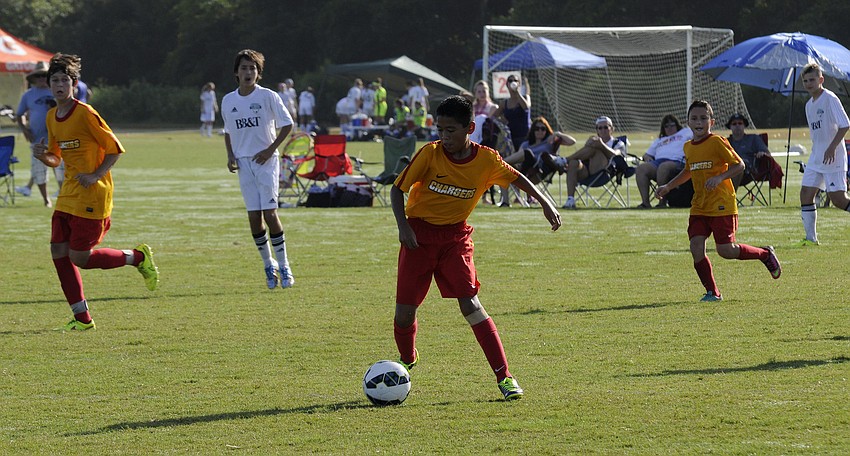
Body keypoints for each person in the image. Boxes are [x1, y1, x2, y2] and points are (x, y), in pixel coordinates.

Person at [390, 95, 561, 400]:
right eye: (440, 130)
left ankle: (505, 377)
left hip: (455, 239)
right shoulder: (429, 154)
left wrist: (545, 202)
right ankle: (406, 359)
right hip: (418, 237)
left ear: (469, 128)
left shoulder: (487, 160)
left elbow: (518, 178)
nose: (444, 136)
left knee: (471, 304)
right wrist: (403, 227)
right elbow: (396, 189)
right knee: (404, 314)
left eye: (451, 130)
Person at [31, 53, 159, 331]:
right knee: (58, 251)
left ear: (74, 85)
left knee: (80, 258)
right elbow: (55, 157)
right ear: (49, 85)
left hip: (93, 194)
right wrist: (43, 156)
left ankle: (137, 257)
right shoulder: (52, 116)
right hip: (68, 194)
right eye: (55, 81)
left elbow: (115, 149)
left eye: (65, 80)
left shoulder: (86, 113)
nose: (60, 85)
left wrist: (95, 175)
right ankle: (82, 318)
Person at [656, 100, 781, 302]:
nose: (699, 122)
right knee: (696, 247)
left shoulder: (717, 142)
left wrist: (719, 177)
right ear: (688, 123)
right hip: (699, 205)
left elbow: (739, 165)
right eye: (694, 118)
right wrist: (668, 186)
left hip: (722, 204)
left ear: (711, 122)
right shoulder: (688, 147)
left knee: (726, 251)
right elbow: (688, 170)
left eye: (703, 118)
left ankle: (764, 254)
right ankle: (713, 292)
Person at [221, 49, 295, 289]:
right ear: (236, 72)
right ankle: (268, 264)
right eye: (244, 68)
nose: (248, 72)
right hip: (244, 164)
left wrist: (270, 150)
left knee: (270, 213)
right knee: (254, 217)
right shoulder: (228, 100)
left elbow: (287, 124)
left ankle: (284, 265)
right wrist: (230, 155)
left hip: (267, 162)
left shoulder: (268, 96)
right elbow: (228, 130)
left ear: (258, 73)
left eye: (252, 68)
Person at [798, 63, 850, 246]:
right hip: (816, 157)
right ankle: (811, 239)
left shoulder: (830, 98)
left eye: (812, 80)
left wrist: (831, 147)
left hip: (833, 157)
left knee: (838, 199)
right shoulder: (808, 105)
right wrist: (819, 151)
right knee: (806, 193)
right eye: (805, 81)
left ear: (821, 79)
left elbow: (845, 124)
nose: (809, 84)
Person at [562, 115, 627, 209]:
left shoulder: (618, 143)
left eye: (606, 127)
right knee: (573, 163)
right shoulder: (593, 141)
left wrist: (601, 145)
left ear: (612, 129)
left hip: (605, 173)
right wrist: (588, 145)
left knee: (596, 148)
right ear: (597, 130)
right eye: (600, 128)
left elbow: (616, 155)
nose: (603, 130)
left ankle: (564, 160)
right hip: (587, 172)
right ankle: (570, 200)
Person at [15, 61, 55, 207]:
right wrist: (25, 129)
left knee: (61, 170)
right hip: (37, 139)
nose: (41, 78)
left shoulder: (56, 90)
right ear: (34, 78)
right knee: (39, 171)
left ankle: (64, 197)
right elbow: (19, 114)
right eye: (38, 76)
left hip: (57, 138)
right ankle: (46, 200)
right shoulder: (28, 95)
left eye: (44, 75)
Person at [634, 114, 692, 208]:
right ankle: (645, 203)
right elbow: (647, 154)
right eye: (666, 126)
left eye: (672, 125)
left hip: (678, 161)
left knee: (664, 167)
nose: (669, 128)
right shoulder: (659, 140)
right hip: (658, 162)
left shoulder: (686, 132)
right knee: (641, 168)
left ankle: (662, 202)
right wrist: (647, 157)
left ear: (677, 125)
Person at [502, 116, 576, 185]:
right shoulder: (526, 144)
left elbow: (572, 142)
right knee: (503, 171)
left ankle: (500, 162)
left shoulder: (549, 142)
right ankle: (502, 166)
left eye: (543, 129)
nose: (540, 131)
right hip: (523, 168)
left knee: (526, 152)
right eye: (537, 129)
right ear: (533, 130)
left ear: (546, 130)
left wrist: (558, 134)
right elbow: (518, 159)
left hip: (538, 171)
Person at [725, 113, 772, 189]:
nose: (737, 126)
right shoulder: (725, 142)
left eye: (740, 123)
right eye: (734, 124)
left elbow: (768, 154)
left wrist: (762, 153)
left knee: (738, 165)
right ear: (730, 126)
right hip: (727, 171)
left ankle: (730, 195)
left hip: (748, 173)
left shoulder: (754, 139)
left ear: (744, 125)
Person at [493, 74, 531, 151]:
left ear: (519, 84)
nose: (513, 82)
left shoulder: (525, 97)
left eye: (515, 81)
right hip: (510, 139)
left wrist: (517, 92)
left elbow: (526, 107)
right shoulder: (504, 103)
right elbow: (494, 116)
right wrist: (502, 120)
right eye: (510, 81)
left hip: (524, 138)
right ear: (507, 85)